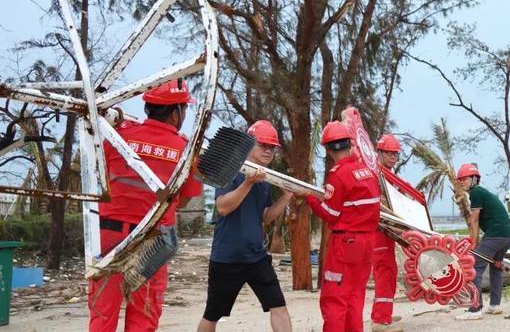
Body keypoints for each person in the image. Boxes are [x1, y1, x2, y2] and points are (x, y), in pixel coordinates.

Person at [89, 79, 203, 332]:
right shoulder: (186, 150)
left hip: (108, 237)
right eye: (184, 109)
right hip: (152, 243)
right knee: (143, 317)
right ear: (176, 113)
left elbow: (99, 177)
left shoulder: (118, 136)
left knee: (102, 315)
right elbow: (183, 200)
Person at [197, 120, 293, 331]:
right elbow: (222, 207)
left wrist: (286, 197)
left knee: (279, 306)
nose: (268, 151)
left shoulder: (266, 178)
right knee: (212, 314)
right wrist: (248, 183)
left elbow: (266, 217)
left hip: (256, 257)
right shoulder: (232, 169)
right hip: (227, 258)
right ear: (250, 144)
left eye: (272, 147)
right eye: (263, 145)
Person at [302, 121, 382, 332]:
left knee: (334, 300)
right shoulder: (367, 172)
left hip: (346, 244)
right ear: (350, 143)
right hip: (367, 243)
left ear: (328, 149)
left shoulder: (338, 174)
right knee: (355, 297)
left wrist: (310, 198)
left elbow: (331, 214)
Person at [454, 163, 510, 321]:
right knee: (496, 267)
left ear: (474, 179)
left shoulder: (477, 192)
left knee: (474, 266)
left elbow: (474, 219)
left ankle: (475, 309)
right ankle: (495, 306)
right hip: (507, 236)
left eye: (464, 179)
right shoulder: (480, 193)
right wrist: (479, 240)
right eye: (460, 179)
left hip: (496, 235)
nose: (461, 182)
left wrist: (472, 243)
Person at [371, 134, 405, 332]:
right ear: (380, 153)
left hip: (387, 230)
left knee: (389, 271)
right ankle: (380, 320)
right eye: (389, 153)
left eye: (395, 154)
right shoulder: (376, 173)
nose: (393, 157)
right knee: (385, 271)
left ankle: (384, 312)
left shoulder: (388, 176)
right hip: (379, 230)